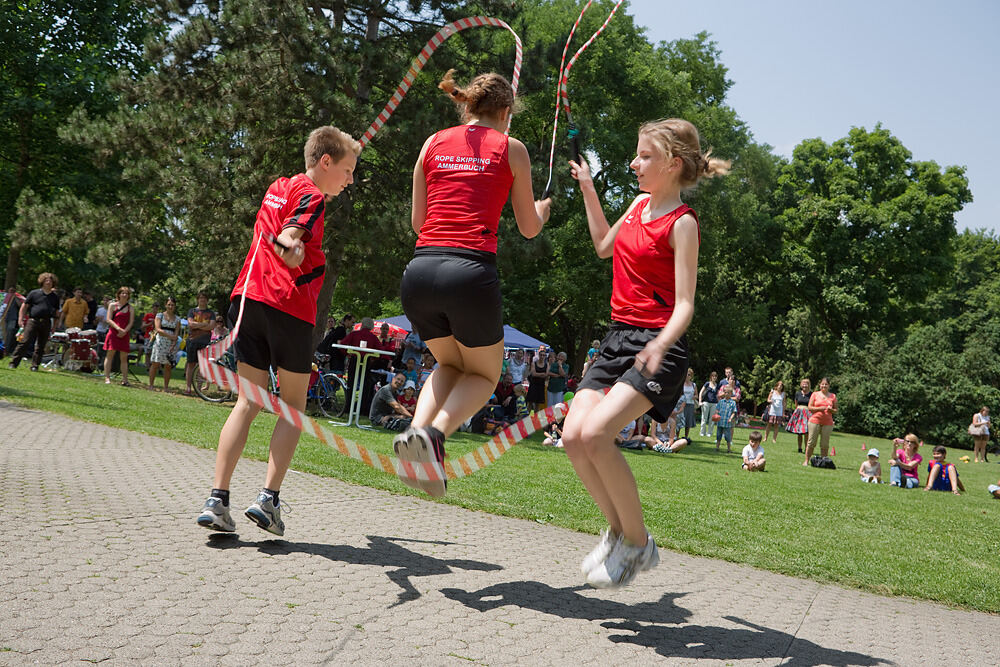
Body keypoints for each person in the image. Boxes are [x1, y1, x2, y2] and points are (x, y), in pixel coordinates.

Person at [564, 117, 729, 588]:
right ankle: (619, 533)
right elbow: (602, 246)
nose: (634, 163)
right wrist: (588, 186)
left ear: (673, 164)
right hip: (617, 340)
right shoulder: (636, 206)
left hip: (658, 346)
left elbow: (685, 306)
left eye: (645, 156)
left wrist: (658, 345)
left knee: (597, 433)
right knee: (575, 437)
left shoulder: (683, 224)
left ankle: (638, 545)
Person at [196, 124, 360, 536]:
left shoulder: (279, 186)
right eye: (347, 170)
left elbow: (284, 226)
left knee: (247, 402)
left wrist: (287, 241)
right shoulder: (313, 197)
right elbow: (291, 237)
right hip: (287, 305)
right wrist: (291, 245)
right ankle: (268, 500)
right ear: (325, 162)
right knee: (292, 406)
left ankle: (217, 499)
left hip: (248, 300)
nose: (350, 180)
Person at [394, 68, 550, 497]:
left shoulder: (432, 143)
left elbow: (418, 222)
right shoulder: (511, 148)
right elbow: (529, 227)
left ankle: (416, 430)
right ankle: (436, 436)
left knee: (449, 365)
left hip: (420, 272)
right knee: (484, 375)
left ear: (466, 106)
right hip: (469, 270)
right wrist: (544, 209)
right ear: (505, 112)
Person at [8, 272, 61, 371]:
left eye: (50, 280)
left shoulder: (55, 297)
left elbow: (57, 313)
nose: (48, 282)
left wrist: (54, 327)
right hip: (33, 320)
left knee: (41, 346)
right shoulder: (34, 293)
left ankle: (35, 365)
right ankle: (13, 363)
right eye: (46, 280)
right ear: (42, 281)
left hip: (46, 322)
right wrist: (21, 319)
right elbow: (24, 306)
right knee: (25, 342)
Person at [182, 293, 216, 394]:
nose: (202, 300)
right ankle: (188, 387)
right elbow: (191, 324)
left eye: (204, 298)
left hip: (205, 341)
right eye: (201, 298)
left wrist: (198, 325)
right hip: (192, 340)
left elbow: (211, 326)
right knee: (190, 364)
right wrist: (204, 324)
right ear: (197, 299)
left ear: (207, 300)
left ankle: (198, 388)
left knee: (202, 365)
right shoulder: (192, 311)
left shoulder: (211, 313)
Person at [102, 286, 135, 385]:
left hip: (124, 334)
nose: (124, 295)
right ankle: (107, 378)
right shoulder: (112, 305)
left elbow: (131, 322)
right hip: (113, 333)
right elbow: (108, 319)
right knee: (110, 355)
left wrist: (124, 331)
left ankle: (125, 380)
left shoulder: (131, 308)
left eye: (126, 293)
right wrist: (118, 329)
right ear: (119, 294)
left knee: (124, 357)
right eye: (122, 293)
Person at [147, 296, 181, 391]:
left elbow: (176, 333)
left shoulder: (177, 319)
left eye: (172, 305)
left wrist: (173, 344)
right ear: (166, 305)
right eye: (169, 304)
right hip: (160, 342)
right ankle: (151, 385)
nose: (170, 306)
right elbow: (158, 329)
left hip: (171, 345)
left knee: (168, 366)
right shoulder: (159, 316)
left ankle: (166, 387)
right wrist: (170, 337)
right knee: (155, 364)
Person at [803, 377, 837, 466]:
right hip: (815, 421)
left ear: (829, 386)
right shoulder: (815, 394)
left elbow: (836, 410)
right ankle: (806, 460)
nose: (824, 386)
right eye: (822, 384)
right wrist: (819, 408)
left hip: (828, 423)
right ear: (820, 385)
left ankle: (823, 462)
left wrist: (831, 410)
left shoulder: (833, 396)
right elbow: (810, 408)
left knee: (824, 444)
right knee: (811, 442)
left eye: (826, 384)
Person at [785, 378, 812, 453]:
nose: (804, 385)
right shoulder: (798, 393)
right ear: (801, 384)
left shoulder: (811, 394)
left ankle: (807, 448)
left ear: (809, 385)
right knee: (799, 432)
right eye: (803, 383)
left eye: (806, 383)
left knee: (806, 432)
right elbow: (796, 403)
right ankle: (799, 448)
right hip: (799, 413)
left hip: (807, 414)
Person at [1, 286, 25, 360]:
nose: (11, 291)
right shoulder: (4, 297)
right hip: (3, 317)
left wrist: (15, 297)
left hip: (12, 318)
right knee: (2, 334)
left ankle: (6, 350)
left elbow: (21, 305)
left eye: (12, 290)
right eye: (10, 290)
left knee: (9, 334)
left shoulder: (16, 298)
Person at [715, 385, 738, 453]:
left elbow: (734, 412)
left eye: (728, 392)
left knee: (728, 437)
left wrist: (731, 418)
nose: (726, 394)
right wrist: (716, 414)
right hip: (720, 421)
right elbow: (717, 409)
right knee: (718, 435)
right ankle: (717, 447)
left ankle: (728, 449)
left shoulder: (732, 403)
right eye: (725, 392)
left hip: (727, 422)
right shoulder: (721, 402)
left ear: (731, 393)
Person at [527, 346, 549, 413]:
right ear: (539, 355)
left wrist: (538, 374)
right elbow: (533, 374)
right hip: (533, 384)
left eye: (544, 355)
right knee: (530, 402)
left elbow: (546, 375)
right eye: (541, 355)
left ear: (545, 356)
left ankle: (535, 419)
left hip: (541, 385)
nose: (542, 356)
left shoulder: (546, 364)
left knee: (538, 404)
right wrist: (542, 374)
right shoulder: (534, 363)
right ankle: (526, 417)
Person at [138, 301, 160, 366]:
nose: (155, 308)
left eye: (157, 307)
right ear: (152, 307)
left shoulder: (159, 316)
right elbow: (142, 326)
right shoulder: (148, 315)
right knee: (147, 351)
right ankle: (147, 365)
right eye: (154, 307)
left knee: (156, 352)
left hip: (157, 336)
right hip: (148, 336)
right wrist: (151, 323)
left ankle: (157, 366)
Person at [698, 370, 718, 437]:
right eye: (713, 376)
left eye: (715, 376)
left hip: (714, 403)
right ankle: (702, 432)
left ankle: (709, 432)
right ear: (711, 377)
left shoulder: (716, 385)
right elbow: (701, 392)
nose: (714, 377)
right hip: (706, 402)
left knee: (712, 419)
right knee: (704, 418)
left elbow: (717, 395)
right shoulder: (707, 383)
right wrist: (700, 401)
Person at [678, 367, 697, 439]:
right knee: (679, 420)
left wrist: (693, 397)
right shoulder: (681, 383)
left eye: (689, 374)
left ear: (691, 376)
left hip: (690, 404)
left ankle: (686, 436)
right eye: (686, 374)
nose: (687, 376)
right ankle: (677, 436)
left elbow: (696, 395)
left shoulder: (693, 385)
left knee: (688, 421)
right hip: (681, 404)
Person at [94, 296, 110, 364]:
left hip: (107, 330)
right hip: (99, 330)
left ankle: (102, 363)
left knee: (104, 348)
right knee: (97, 347)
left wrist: (107, 321)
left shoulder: (111, 310)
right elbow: (95, 321)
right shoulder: (100, 310)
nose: (105, 302)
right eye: (104, 300)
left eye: (107, 301)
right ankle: (96, 361)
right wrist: (98, 319)